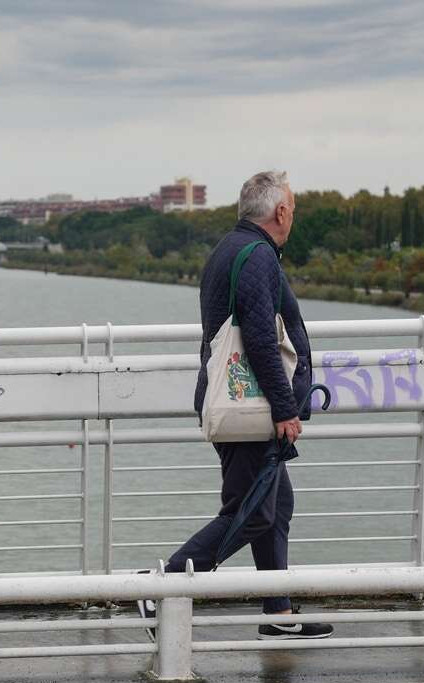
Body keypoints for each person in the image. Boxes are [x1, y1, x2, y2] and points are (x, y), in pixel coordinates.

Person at [138, 171, 333, 641]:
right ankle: (159, 587)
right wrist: (286, 408)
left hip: (240, 401)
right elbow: (262, 340)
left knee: (275, 505)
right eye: (293, 207)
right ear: (281, 212)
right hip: (251, 409)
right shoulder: (258, 256)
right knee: (250, 511)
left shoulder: (233, 247)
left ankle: (278, 612)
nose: (294, 215)